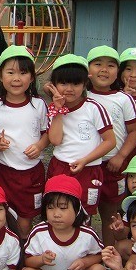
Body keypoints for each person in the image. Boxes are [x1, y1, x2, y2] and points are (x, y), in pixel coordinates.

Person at [20, 175, 108, 270]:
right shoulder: (39, 232)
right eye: (50, 208)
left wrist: (85, 263)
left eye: (63, 208)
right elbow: (26, 260)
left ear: (77, 209)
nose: (56, 214)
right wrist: (41, 260)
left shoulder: (86, 234)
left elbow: (99, 255)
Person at [0, 45, 48, 239]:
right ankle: (4, 244)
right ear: (1, 76)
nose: (16, 78)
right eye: (10, 72)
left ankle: (22, 245)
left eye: (23, 72)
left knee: (26, 214)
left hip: (31, 171)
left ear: (31, 77)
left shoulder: (38, 105)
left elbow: (47, 133)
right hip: (4, 170)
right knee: (2, 208)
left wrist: (39, 146)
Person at [44, 54, 116, 218]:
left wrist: (85, 160)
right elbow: (55, 140)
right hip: (60, 167)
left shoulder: (94, 108)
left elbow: (110, 141)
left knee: (83, 214)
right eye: (63, 83)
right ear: (54, 85)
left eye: (76, 83)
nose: (69, 88)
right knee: (57, 213)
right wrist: (58, 111)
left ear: (85, 84)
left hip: (88, 169)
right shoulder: (53, 110)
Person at [86, 46, 136, 247]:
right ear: (88, 70)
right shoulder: (81, 96)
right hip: (88, 166)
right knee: (84, 212)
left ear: (118, 71)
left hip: (113, 165)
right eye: (98, 64)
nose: (104, 70)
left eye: (110, 65)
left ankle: (109, 255)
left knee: (111, 214)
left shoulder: (123, 99)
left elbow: (134, 132)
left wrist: (121, 156)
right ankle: (86, 252)